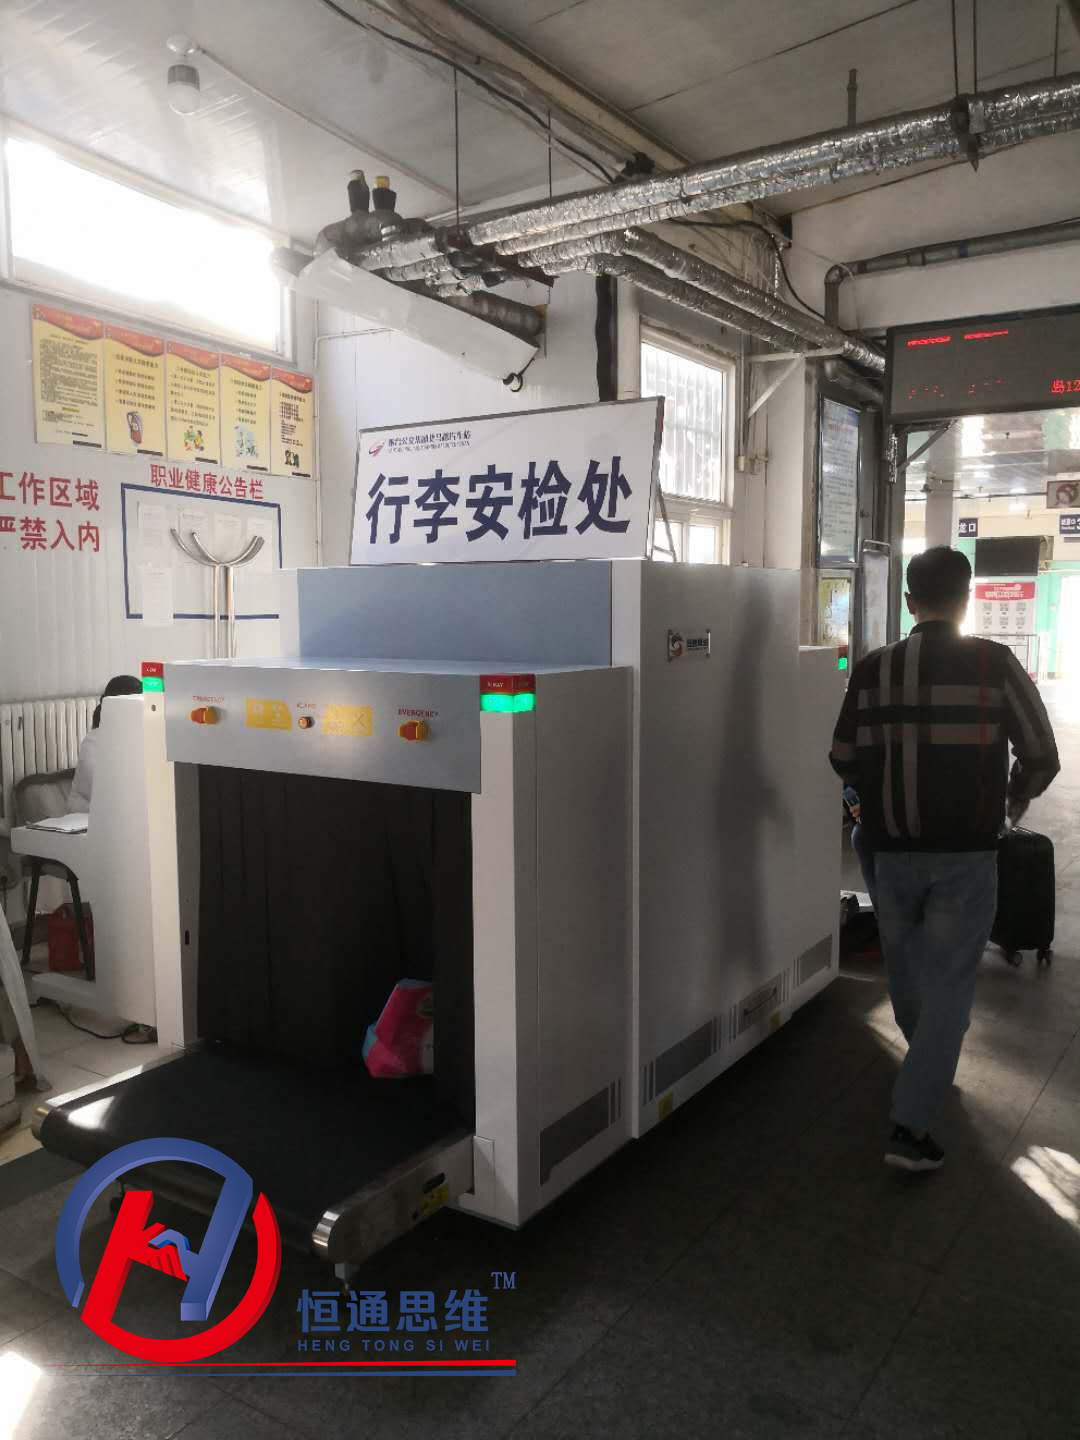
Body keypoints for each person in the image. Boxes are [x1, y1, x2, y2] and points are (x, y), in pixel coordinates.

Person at [829, 547, 1059, 1172]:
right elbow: (1041, 755)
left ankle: (927, 1060)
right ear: (967, 599)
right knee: (952, 981)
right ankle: (910, 1125)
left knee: (905, 971)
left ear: (909, 602)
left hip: (890, 851)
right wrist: (1014, 797)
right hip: (965, 854)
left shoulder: (873, 669)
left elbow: (842, 755)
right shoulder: (995, 664)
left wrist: (872, 797)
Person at [68, 675, 143, 813]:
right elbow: (107, 790)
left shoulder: (137, 736)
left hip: (121, 813)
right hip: (87, 814)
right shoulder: (93, 742)